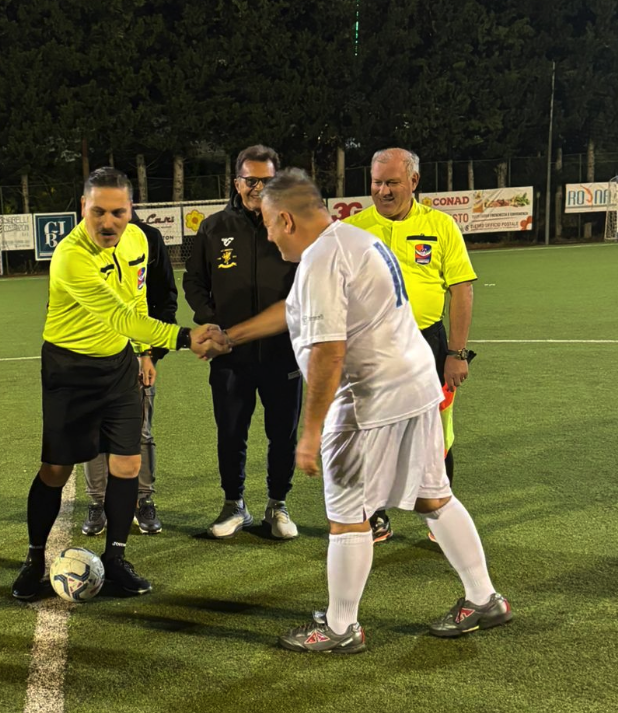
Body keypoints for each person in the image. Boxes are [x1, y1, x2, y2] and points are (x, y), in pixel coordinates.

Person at [208, 169, 511, 653]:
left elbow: (329, 351)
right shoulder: (350, 239)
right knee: (433, 496)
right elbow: (293, 310)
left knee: (347, 516)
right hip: (414, 387)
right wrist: (231, 337)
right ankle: (484, 597)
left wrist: (309, 435)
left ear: (285, 218)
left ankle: (340, 626)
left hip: (369, 402)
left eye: (267, 223)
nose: (265, 232)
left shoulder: (321, 261)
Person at [12, 167, 223, 601]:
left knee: (126, 465)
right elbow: (119, 314)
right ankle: (34, 561)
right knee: (56, 469)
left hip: (119, 366)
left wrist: (146, 352)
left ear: (132, 211)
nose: (108, 223)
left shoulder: (141, 240)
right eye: (98, 212)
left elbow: (138, 303)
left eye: (118, 212)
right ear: (82, 210)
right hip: (69, 371)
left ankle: (116, 558)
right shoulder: (71, 255)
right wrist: (184, 338)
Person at [344, 148, 476, 544]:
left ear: (414, 182)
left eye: (392, 183)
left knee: (436, 431)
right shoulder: (352, 229)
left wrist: (456, 353)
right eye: (377, 183)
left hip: (428, 343)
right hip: (371, 347)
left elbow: (462, 289)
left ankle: (439, 517)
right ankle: (375, 516)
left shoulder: (441, 226)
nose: (383, 191)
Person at [183, 144, 301, 540]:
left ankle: (277, 506)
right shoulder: (214, 227)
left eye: (267, 180)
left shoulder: (292, 224)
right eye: (251, 180)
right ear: (237, 182)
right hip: (230, 352)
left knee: (282, 432)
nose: (258, 187)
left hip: (283, 350)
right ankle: (234, 505)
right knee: (231, 431)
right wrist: (212, 324)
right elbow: (194, 282)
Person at [82, 211, 178, 536]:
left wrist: (150, 353)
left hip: (136, 353)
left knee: (141, 431)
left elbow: (158, 298)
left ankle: (144, 500)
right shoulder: (81, 242)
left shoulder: (147, 237)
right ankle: (98, 503)